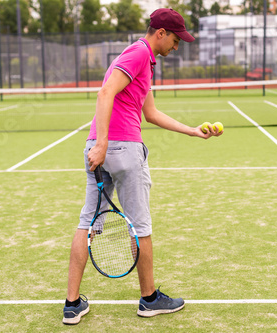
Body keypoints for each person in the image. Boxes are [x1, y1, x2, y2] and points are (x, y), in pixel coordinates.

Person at [63, 8, 223, 325]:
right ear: (160, 33)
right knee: (141, 226)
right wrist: (105, 142)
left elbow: (150, 113)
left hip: (98, 149)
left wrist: (192, 130)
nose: (177, 47)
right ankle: (149, 299)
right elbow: (106, 91)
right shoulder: (139, 53)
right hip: (119, 147)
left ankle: (72, 305)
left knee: (86, 222)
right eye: (176, 40)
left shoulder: (145, 63)